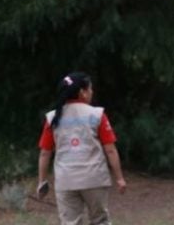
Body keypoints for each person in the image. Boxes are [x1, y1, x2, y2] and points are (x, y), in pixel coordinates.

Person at [37, 72, 127, 225]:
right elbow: (110, 150)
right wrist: (119, 178)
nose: (92, 92)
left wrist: (42, 180)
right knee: (100, 221)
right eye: (90, 89)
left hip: (66, 181)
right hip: (94, 178)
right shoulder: (97, 115)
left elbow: (45, 153)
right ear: (82, 93)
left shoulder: (53, 118)